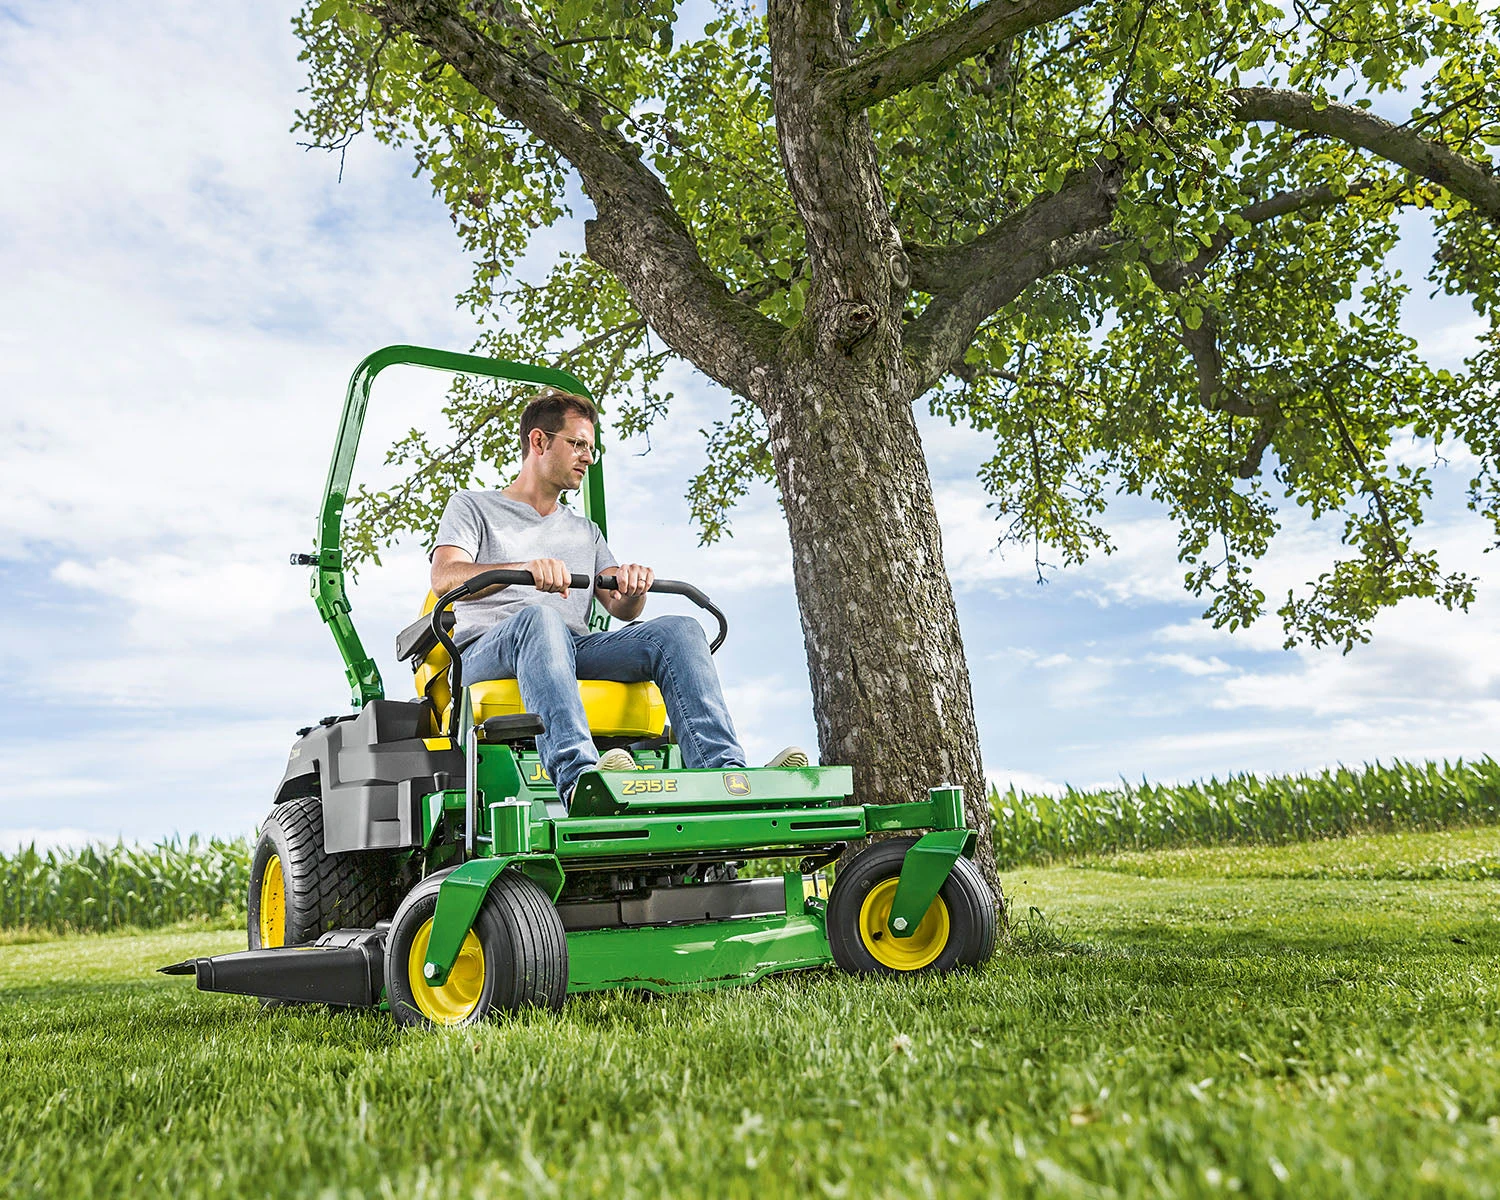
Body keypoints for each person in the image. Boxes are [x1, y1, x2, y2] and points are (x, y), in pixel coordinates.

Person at [430, 386, 806, 806]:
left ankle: (724, 777)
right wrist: (521, 573)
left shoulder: (584, 532)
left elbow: (622, 609)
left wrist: (632, 584)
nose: (587, 457)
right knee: (541, 619)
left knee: (679, 629)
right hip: (490, 650)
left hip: (571, 648)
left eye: (591, 448)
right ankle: (580, 782)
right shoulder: (474, 507)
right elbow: (445, 576)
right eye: (577, 444)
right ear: (539, 441)